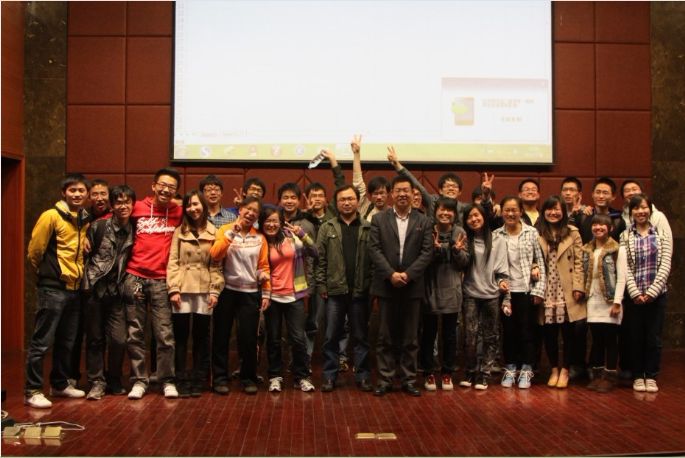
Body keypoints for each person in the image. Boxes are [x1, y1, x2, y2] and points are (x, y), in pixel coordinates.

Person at [25, 173, 91, 408]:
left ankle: (59, 384)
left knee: (67, 341)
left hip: (74, 288)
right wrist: (46, 272)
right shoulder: (51, 216)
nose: (77, 194)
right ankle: (32, 390)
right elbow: (35, 250)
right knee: (41, 342)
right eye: (72, 190)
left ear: (87, 194)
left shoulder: (83, 217)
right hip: (52, 288)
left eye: (81, 190)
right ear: (64, 193)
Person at [368, 174, 434, 397]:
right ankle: (385, 379)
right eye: (398, 190)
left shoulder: (424, 221)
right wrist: (390, 274)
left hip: (412, 286)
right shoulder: (379, 220)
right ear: (391, 194)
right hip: (386, 286)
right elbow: (374, 249)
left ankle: (408, 379)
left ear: (414, 194)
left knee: (410, 337)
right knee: (385, 336)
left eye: (407, 190)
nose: (403, 194)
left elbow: (427, 253)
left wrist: (407, 274)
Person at [123, 167, 183, 400]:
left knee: (164, 335)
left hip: (161, 280)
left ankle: (167, 379)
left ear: (176, 191)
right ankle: (139, 380)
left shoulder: (178, 211)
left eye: (171, 187)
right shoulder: (137, 207)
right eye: (163, 185)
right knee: (135, 333)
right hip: (135, 276)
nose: (166, 190)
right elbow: (113, 217)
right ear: (154, 185)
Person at [210, 196, 271, 395]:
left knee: (248, 338)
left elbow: (263, 266)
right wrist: (231, 234)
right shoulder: (224, 230)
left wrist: (266, 291)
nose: (251, 213)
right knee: (221, 336)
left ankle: (248, 377)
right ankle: (219, 378)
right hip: (227, 291)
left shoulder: (260, 237)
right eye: (248, 209)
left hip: (250, 293)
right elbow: (215, 254)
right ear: (240, 209)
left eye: (255, 211)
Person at [316, 185, 374, 392]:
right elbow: (320, 260)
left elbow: (374, 260)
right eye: (342, 199)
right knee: (331, 336)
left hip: (360, 292)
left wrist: (371, 286)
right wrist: (321, 284)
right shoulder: (327, 227)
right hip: (334, 291)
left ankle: (363, 376)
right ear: (336, 203)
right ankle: (329, 376)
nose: (347, 203)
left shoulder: (368, 227)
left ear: (358, 201)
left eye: (350, 199)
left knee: (361, 337)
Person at [167, 190, 224, 397]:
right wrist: (173, 289)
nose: (193, 209)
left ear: (204, 206)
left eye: (196, 204)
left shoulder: (214, 232)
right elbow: (173, 261)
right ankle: (181, 379)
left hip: (204, 288)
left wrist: (215, 291)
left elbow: (216, 265)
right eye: (189, 205)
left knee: (201, 336)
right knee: (181, 336)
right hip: (182, 288)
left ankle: (199, 379)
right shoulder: (179, 231)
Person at [82, 184, 136, 400]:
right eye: (118, 202)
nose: (123, 206)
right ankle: (96, 381)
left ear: (132, 204)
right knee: (95, 340)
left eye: (127, 202)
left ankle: (114, 378)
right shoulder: (99, 227)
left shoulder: (135, 228)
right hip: (96, 289)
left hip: (118, 292)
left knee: (119, 340)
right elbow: (85, 257)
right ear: (112, 206)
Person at [615, 194, 672, 393]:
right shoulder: (625, 236)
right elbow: (625, 268)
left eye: (644, 207)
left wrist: (652, 292)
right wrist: (635, 292)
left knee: (653, 338)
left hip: (657, 295)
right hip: (634, 297)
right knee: (636, 337)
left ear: (650, 210)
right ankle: (638, 375)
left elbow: (665, 265)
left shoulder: (661, 235)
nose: (641, 211)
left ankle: (652, 375)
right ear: (631, 212)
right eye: (636, 208)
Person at [258, 206, 317, 393]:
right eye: (267, 221)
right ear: (262, 223)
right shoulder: (260, 241)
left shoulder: (292, 238)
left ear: (281, 222)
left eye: (275, 221)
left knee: (298, 338)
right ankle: (275, 376)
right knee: (274, 339)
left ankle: (302, 376)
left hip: (294, 295)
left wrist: (302, 234)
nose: (271, 224)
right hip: (271, 296)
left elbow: (315, 252)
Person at [493, 196, 546, 389]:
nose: (510, 213)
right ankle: (510, 368)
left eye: (514, 210)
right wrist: (499, 283)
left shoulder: (531, 233)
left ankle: (526, 369)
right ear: (502, 212)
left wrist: (539, 290)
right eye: (507, 210)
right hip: (506, 293)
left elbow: (540, 262)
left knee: (527, 331)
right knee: (508, 332)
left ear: (521, 212)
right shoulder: (496, 235)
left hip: (526, 291)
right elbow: (493, 266)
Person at [421, 197, 470, 391]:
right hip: (430, 289)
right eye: (441, 210)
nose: (445, 213)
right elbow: (421, 261)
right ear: (435, 212)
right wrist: (433, 251)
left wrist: (456, 251)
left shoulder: (460, 232)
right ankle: (429, 372)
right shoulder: (428, 231)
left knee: (450, 335)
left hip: (452, 290)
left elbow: (465, 262)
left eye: (449, 210)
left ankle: (447, 372)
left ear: (454, 214)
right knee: (428, 334)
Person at [537, 196, 585, 389]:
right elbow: (532, 257)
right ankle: (554, 369)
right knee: (549, 332)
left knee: (568, 332)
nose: (553, 213)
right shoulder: (538, 232)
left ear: (564, 212)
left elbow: (580, 261)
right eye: (549, 209)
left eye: (557, 209)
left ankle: (565, 369)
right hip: (546, 287)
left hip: (567, 288)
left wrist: (578, 286)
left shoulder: (573, 233)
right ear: (544, 212)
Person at [461, 203, 510, 390]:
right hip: (470, 293)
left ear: (484, 216)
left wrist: (502, 283)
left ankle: (485, 374)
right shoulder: (465, 239)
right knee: (470, 336)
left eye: (477, 215)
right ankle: (470, 371)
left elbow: (501, 270)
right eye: (469, 217)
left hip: (491, 294)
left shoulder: (498, 240)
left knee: (491, 336)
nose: (474, 219)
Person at [581, 214, 621, 393]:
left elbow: (622, 278)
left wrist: (617, 302)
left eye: (603, 225)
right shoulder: (587, 249)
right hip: (592, 300)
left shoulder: (617, 250)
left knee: (610, 339)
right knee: (596, 340)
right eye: (595, 224)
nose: (598, 228)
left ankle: (610, 376)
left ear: (610, 228)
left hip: (610, 301)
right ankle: (597, 376)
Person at [386, 146, 466, 225]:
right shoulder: (433, 201)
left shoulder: (464, 208)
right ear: (440, 190)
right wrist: (398, 165)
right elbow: (416, 184)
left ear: (460, 192)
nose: (451, 189)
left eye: (454, 186)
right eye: (447, 186)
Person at [351, 134, 391, 222]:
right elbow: (358, 184)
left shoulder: (394, 213)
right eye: (375, 194)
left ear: (388, 194)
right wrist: (356, 154)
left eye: (382, 193)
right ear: (370, 195)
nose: (379, 197)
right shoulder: (365, 207)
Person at [578, 177, 626, 244]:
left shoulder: (618, 220)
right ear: (592, 195)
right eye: (598, 192)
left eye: (605, 193)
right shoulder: (583, 216)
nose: (601, 196)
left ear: (613, 196)